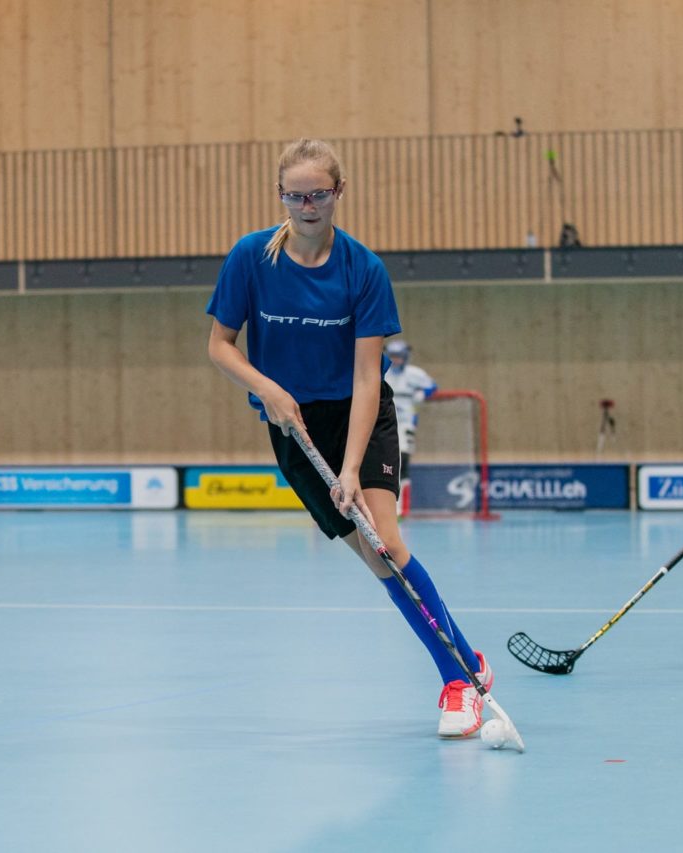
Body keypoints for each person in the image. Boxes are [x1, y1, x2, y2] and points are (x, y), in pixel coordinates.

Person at [206, 138, 494, 737]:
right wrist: (270, 390)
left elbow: (369, 378)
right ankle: (467, 655)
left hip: (358, 416)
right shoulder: (250, 258)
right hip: (291, 426)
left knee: (385, 542)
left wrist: (351, 468)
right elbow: (219, 345)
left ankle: (457, 684)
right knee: (374, 560)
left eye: (318, 194)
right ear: (281, 196)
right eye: (295, 194)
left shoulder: (363, 268)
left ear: (339, 193)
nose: (307, 205)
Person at [384, 339, 438, 517]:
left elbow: (432, 386)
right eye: (392, 356)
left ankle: (402, 508)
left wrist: (423, 393)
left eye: (399, 357)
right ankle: (386, 506)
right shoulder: (383, 372)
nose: (396, 360)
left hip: (406, 423)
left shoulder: (415, 374)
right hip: (384, 423)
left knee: (403, 460)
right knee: (386, 461)